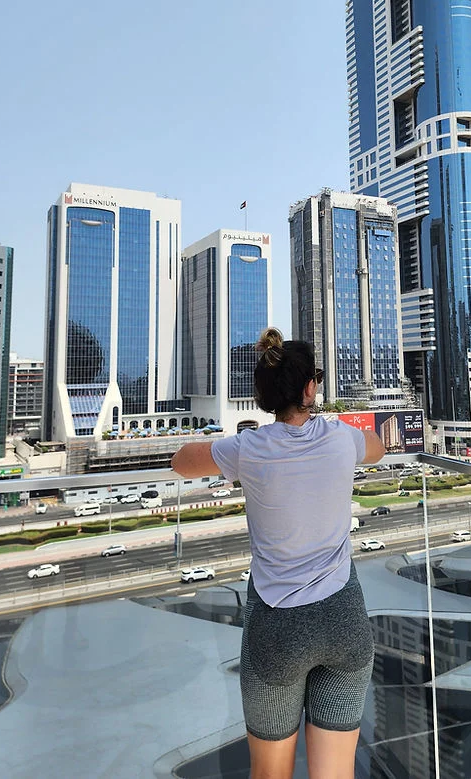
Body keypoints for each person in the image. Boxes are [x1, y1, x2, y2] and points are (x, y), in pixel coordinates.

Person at [172, 327, 386, 779]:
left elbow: (181, 462)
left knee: (270, 774)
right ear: (310, 389)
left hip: (277, 625)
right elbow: (379, 448)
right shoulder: (342, 437)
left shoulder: (248, 448)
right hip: (344, 619)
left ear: (265, 396)